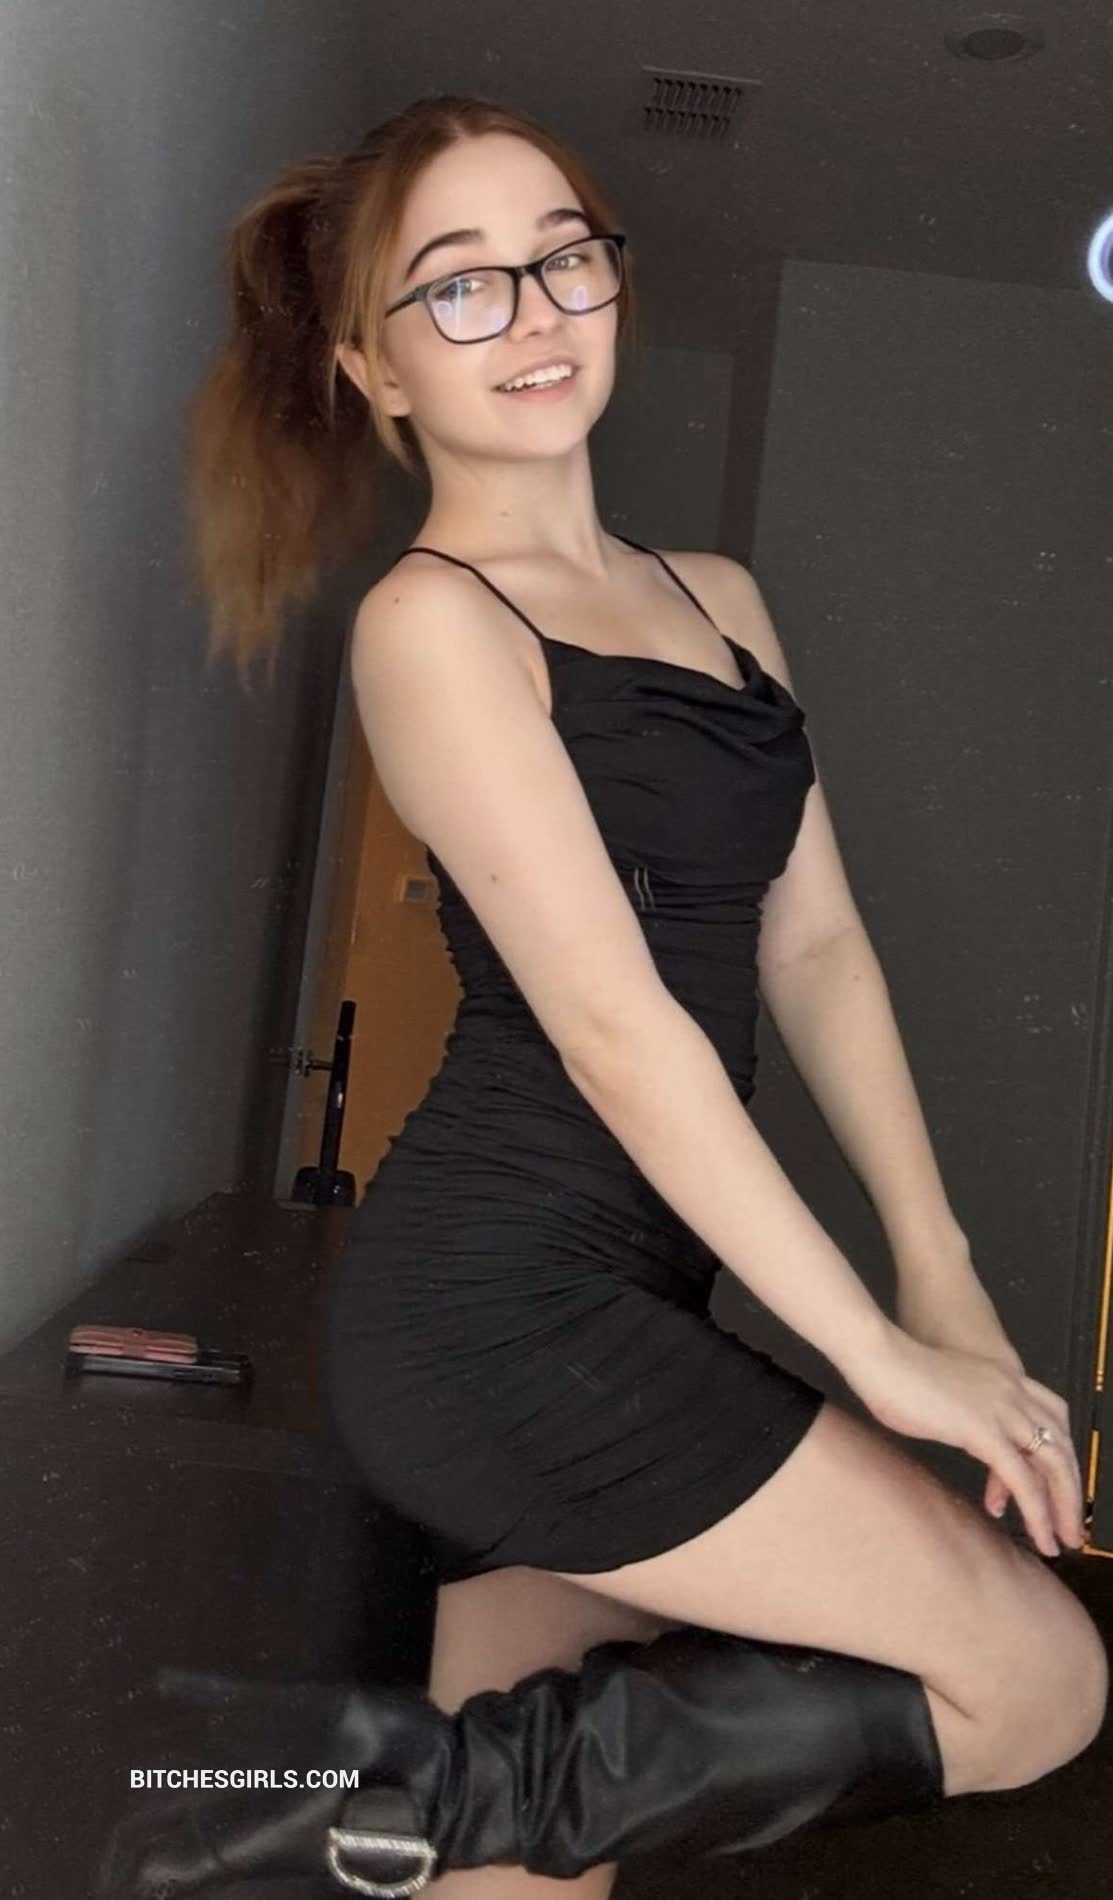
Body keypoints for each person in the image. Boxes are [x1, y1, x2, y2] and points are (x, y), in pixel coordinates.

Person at [100, 92, 1106, 1898]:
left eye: (562, 256)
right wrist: (870, 1357)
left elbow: (814, 946)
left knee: (535, 1864)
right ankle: (322, 1788)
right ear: (373, 367)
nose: (534, 311)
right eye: (458, 285)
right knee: (1037, 1682)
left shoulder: (715, 599)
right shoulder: (433, 622)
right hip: (498, 1313)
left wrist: (935, 1270)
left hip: (622, 1291)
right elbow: (616, 1030)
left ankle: (355, 1796)